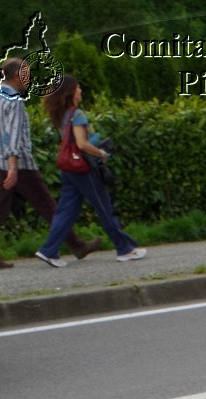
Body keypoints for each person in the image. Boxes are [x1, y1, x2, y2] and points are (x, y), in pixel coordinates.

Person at [0, 58, 101, 269]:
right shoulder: (14, 102)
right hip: (20, 164)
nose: (30, 78)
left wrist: (3, 161)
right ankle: (76, 245)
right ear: (18, 76)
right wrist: (14, 167)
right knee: (47, 204)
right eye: (27, 74)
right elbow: (14, 136)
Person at [33, 77, 146, 267]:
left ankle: (48, 251)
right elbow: (82, 144)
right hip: (83, 169)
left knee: (66, 211)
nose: (81, 91)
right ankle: (125, 249)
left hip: (68, 169)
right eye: (78, 88)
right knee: (104, 208)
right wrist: (101, 153)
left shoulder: (61, 114)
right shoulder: (77, 115)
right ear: (71, 92)